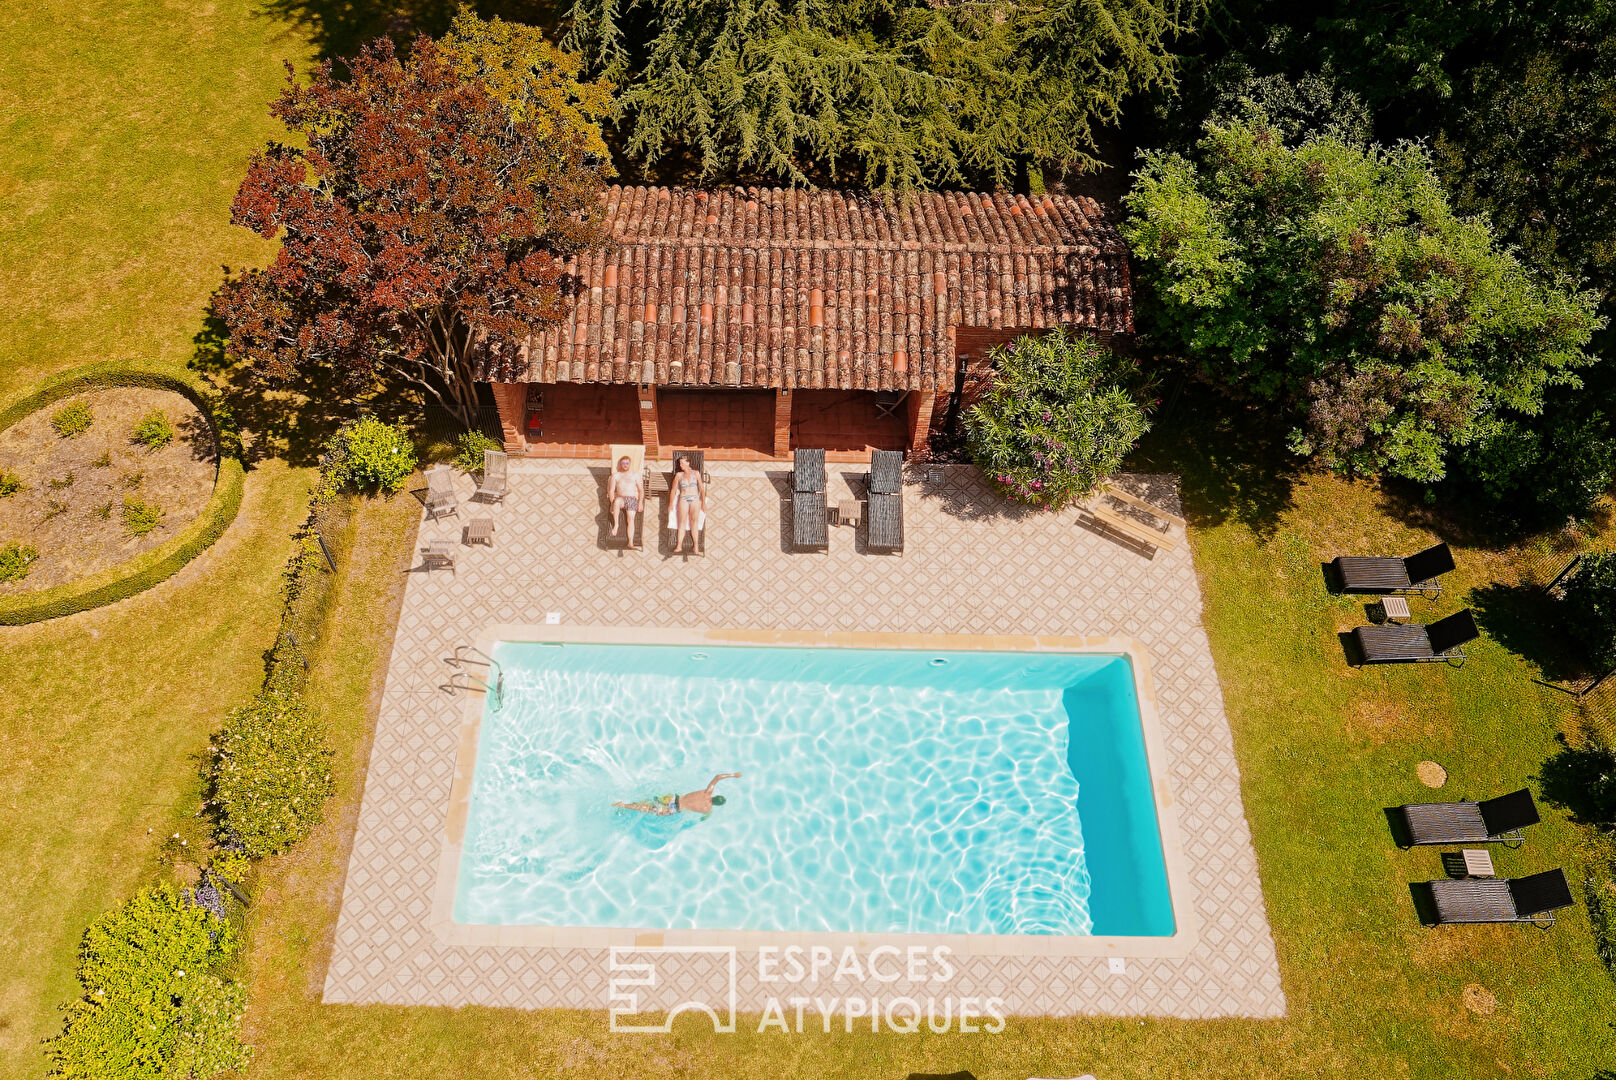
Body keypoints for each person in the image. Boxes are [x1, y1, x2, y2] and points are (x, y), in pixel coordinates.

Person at [614, 773, 741, 817]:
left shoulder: (707, 792)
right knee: (648, 809)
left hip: (673, 798)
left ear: (714, 796)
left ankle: (629, 800)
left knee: (650, 801)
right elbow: (703, 818)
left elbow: (718, 777)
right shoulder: (707, 810)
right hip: (674, 809)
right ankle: (624, 805)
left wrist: (733, 775)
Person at [671, 453, 706, 554]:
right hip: (683, 498)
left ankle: (696, 546)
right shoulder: (679, 475)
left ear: (688, 463)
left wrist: (703, 503)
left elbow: (701, 489)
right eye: (679, 463)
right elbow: (673, 490)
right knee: (682, 522)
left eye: (682, 463)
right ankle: (679, 546)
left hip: (695, 498)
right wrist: (670, 504)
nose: (680, 465)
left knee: (694, 522)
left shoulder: (696, 473)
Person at [608, 454, 644, 546]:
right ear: (620, 464)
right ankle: (616, 525)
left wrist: (640, 503)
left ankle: (630, 542)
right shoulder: (616, 476)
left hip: (632, 499)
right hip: (621, 499)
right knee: (616, 501)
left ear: (630, 464)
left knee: (631, 519)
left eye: (627, 463)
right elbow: (611, 491)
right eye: (623, 463)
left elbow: (641, 490)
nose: (625, 465)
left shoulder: (635, 475)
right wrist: (612, 504)